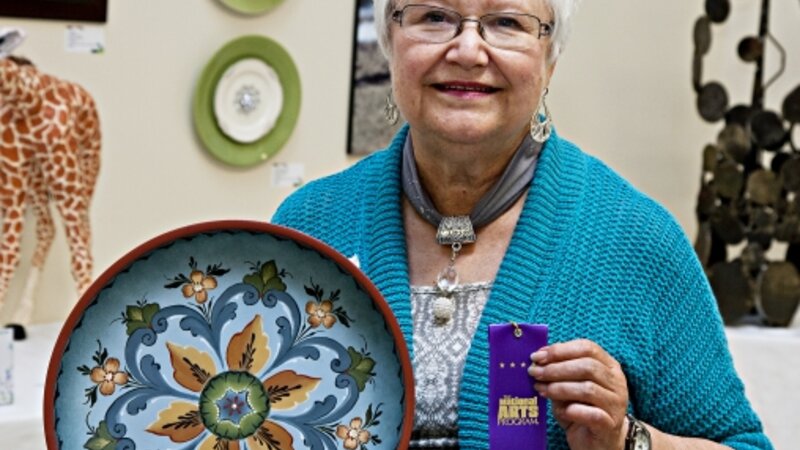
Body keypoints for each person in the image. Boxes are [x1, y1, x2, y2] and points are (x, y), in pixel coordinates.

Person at [273, 1, 773, 449]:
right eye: (434, 17)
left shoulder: (635, 239)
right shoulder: (308, 228)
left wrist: (628, 440)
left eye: (507, 22)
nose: (468, 49)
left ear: (550, 60)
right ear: (389, 41)